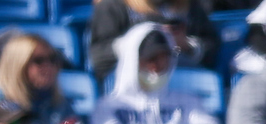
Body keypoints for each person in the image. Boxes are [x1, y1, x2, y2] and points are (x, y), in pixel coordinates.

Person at [91, 24, 229, 124]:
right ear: (133, 61)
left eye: (164, 57)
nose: (157, 66)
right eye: (150, 59)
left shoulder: (189, 102)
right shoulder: (109, 107)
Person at [90, 0, 219, 83]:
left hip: (183, 84)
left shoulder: (188, 5)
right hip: (132, 90)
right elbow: (99, 57)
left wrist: (187, 45)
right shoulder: (112, 6)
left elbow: (212, 47)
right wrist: (138, 41)